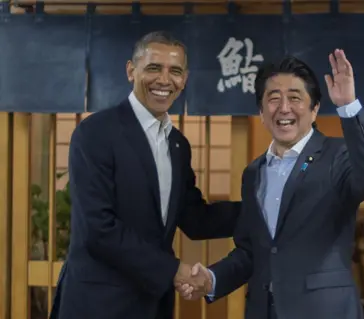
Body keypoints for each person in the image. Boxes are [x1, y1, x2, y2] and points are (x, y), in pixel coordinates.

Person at [177, 50, 364, 318]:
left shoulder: (338, 155)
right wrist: (212, 278)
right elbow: (252, 251)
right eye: (273, 99)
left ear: (314, 110)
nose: (284, 108)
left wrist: (348, 106)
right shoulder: (253, 172)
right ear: (262, 113)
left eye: (295, 98)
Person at [49, 31, 241, 319]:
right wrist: (174, 270)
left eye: (175, 71)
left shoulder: (178, 145)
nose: (164, 80)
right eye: (154, 68)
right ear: (131, 71)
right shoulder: (96, 133)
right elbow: (97, 229)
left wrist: (264, 209)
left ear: (184, 79)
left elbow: (194, 218)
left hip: (152, 305)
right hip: (97, 304)